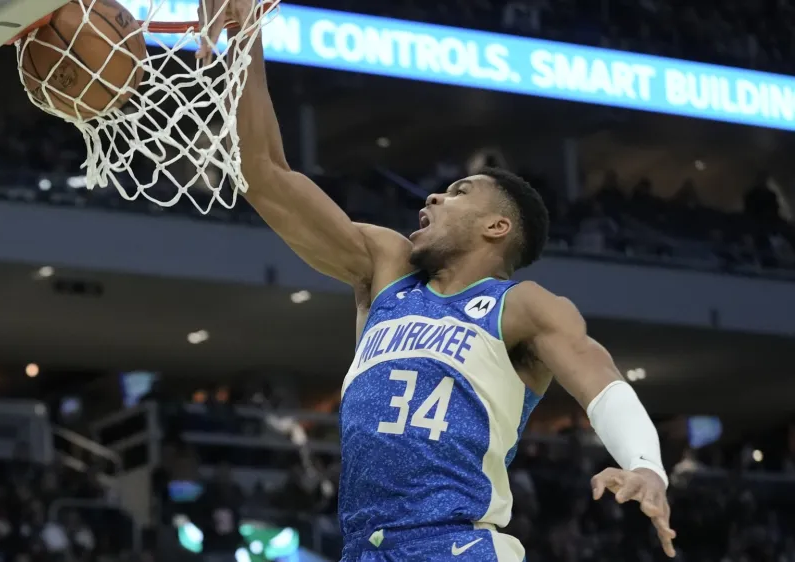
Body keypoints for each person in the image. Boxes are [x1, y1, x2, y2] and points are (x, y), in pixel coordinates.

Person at [196, 2, 676, 560]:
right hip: (365, 548)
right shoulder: (387, 269)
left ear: (497, 227)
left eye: (458, 193)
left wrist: (646, 465)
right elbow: (264, 175)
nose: (433, 197)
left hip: (457, 544)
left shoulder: (521, 306)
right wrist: (246, 38)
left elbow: (600, 380)